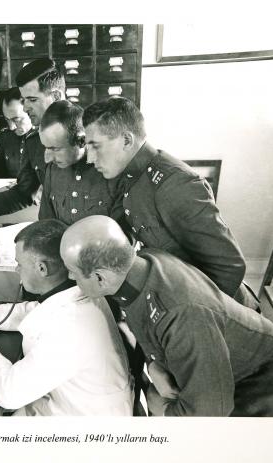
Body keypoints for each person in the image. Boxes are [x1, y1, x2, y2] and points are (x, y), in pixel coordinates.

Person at [60, 215, 273, 417]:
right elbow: (148, 322)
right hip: (224, 376)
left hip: (270, 390)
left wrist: (161, 407)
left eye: (74, 272)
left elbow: (208, 415)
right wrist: (154, 365)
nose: (71, 279)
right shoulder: (142, 265)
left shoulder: (183, 316)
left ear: (101, 277)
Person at [83, 97, 258, 309]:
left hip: (219, 312)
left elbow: (229, 267)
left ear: (127, 141)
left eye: (96, 147)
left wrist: (189, 322)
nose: (90, 159)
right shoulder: (131, 176)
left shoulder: (175, 184)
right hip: (177, 290)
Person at [0, 219, 133, 416]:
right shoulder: (80, 292)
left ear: (42, 268)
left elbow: (9, 393)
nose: (17, 270)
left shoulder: (70, 328)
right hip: (72, 402)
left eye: (19, 264)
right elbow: (40, 310)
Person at [0, 58, 65, 216]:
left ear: (56, 97)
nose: (26, 107)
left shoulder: (90, 134)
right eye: (24, 99)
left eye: (32, 100)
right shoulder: (33, 141)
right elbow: (24, 193)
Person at [0, 87, 33, 178]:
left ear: (30, 111)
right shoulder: (5, 137)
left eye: (16, 119)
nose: (12, 127)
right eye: (7, 120)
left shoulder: (45, 137)